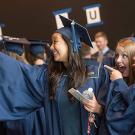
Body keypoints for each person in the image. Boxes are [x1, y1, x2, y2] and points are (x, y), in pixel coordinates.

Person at [0, 16, 109, 135]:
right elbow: (21, 74)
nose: (51, 47)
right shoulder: (48, 76)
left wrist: (98, 108)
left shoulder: (97, 75)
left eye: (55, 42)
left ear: (70, 44)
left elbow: (116, 113)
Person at [102, 37, 135, 135]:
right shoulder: (112, 81)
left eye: (124, 56)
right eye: (117, 55)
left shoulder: (118, 81)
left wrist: (119, 82)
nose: (118, 60)